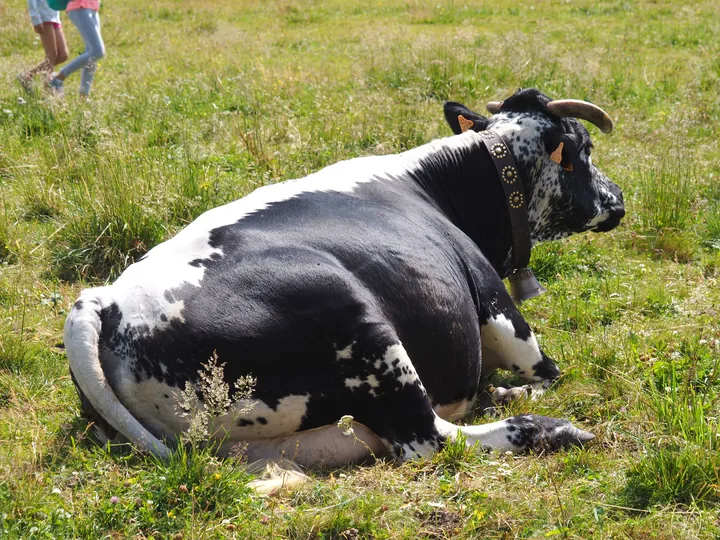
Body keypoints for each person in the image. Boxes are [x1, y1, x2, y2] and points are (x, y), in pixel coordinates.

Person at [48, 1, 104, 96]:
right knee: (97, 52)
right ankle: (58, 77)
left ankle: (83, 96)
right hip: (79, 6)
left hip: (93, 6)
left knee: (91, 53)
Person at [18, 0, 69, 91]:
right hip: (43, 16)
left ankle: (27, 75)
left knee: (63, 55)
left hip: (55, 16)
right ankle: (48, 90)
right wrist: (35, 18)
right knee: (51, 55)